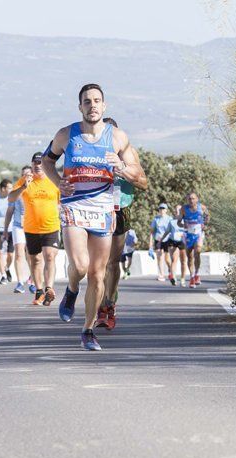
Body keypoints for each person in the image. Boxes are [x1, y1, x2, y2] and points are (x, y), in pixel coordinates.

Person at [42, 83, 145, 351]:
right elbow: (47, 162)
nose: (92, 105)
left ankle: (87, 330)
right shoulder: (66, 135)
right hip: (74, 206)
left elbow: (142, 179)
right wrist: (57, 183)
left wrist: (121, 167)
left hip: (103, 209)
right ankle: (72, 290)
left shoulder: (118, 138)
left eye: (97, 101)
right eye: (87, 101)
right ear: (80, 107)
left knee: (98, 274)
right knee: (80, 266)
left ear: (104, 106)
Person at [95, 117, 148, 331]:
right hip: (96, 210)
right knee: (96, 264)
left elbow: (144, 183)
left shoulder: (129, 152)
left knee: (112, 262)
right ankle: (98, 307)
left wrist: (123, 169)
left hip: (120, 209)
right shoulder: (92, 152)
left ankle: (109, 304)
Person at [7, 152, 61, 306]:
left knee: (49, 256)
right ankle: (39, 291)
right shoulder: (25, 180)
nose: (38, 165)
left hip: (51, 226)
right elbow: (11, 198)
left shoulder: (54, 180)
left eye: (40, 162)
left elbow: (64, 200)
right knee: (36, 259)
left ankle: (49, 287)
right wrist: (24, 187)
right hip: (31, 228)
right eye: (35, 162)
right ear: (31, 165)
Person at [3, 166, 32, 294]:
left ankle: (33, 279)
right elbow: (10, 211)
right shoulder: (16, 190)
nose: (26, 177)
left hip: (33, 226)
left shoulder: (37, 189)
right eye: (23, 175)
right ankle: (20, 282)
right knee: (19, 253)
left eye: (28, 174)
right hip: (18, 226)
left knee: (32, 255)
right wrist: (5, 229)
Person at [178, 192, 210, 287]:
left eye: (193, 198)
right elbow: (179, 222)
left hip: (198, 234)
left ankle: (197, 273)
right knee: (190, 257)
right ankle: (192, 277)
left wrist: (205, 224)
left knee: (198, 251)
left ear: (197, 199)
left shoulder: (202, 207)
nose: (191, 200)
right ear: (187, 200)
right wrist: (183, 225)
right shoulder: (184, 209)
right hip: (188, 234)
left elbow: (208, 216)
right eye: (189, 199)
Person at [162, 211, 188, 287]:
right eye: (176, 211)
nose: (177, 213)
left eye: (179, 212)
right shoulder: (172, 222)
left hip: (182, 242)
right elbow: (167, 232)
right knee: (174, 260)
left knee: (183, 261)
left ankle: (182, 279)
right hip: (173, 242)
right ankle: (173, 277)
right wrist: (160, 241)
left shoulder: (185, 221)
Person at [149, 203, 174, 281]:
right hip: (158, 240)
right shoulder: (156, 219)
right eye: (160, 208)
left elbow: (173, 230)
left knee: (167, 259)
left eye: (163, 209)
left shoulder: (170, 219)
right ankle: (161, 274)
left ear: (166, 210)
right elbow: (152, 232)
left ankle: (171, 270)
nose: (162, 210)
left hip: (167, 240)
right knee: (159, 257)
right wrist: (150, 245)